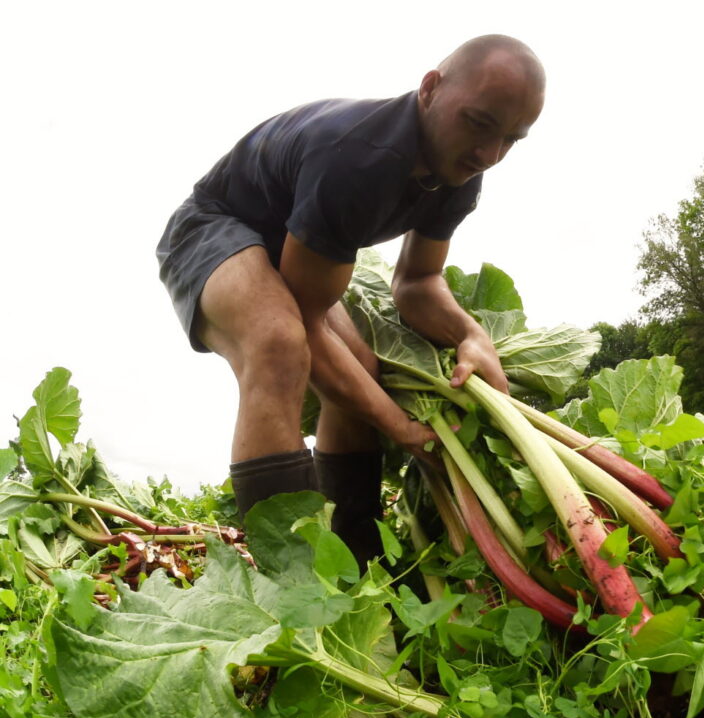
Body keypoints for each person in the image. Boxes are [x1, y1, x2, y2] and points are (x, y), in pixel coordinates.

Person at [155, 35, 545, 564]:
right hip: (213, 228)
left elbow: (418, 282)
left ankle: (358, 562)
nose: (489, 155)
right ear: (430, 88)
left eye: (511, 140)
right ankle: (289, 578)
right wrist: (400, 428)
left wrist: (471, 335)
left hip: (290, 246)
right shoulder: (359, 162)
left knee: (363, 366)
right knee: (278, 342)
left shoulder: (459, 174)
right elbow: (307, 324)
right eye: (478, 123)